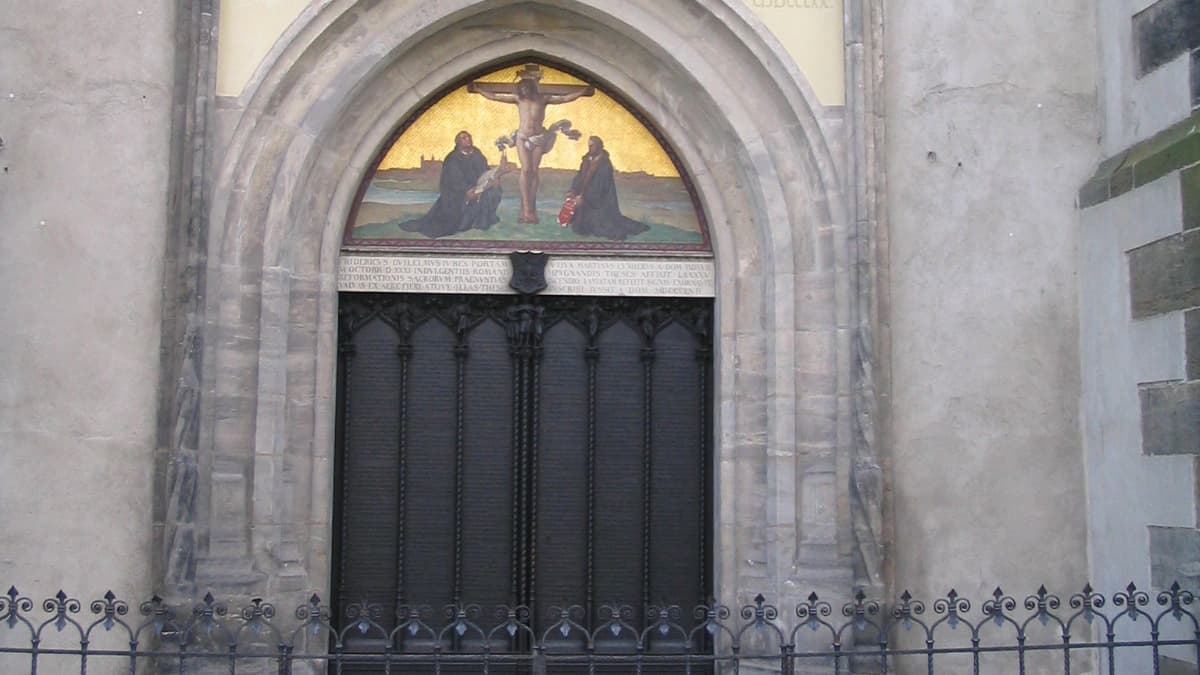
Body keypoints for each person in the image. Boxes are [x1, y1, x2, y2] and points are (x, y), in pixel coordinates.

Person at [468, 67, 593, 223]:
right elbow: (494, 96)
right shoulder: (518, 99)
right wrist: (479, 89)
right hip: (522, 137)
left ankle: (531, 210)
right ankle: (525, 209)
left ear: (532, 88)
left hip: (539, 138)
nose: (524, 91)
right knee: (525, 170)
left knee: (534, 172)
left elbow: (564, 98)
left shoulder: (543, 99)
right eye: (522, 88)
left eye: (527, 88)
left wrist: (582, 91)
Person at [399, 131, 510, 238]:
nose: (468, 139)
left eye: (469, 137)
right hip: (457, 194)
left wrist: (495, 178)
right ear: (458, 142)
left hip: (479, 187)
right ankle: (468, 222)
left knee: (495, 190)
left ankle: (483, 220)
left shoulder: (477, 154)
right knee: (455, 218)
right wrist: (466, 192)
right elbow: (452, 181)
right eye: (464, 138)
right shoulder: (452, 159)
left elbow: (485, 172)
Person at [564, 136, 650, 241]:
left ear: (599, 146)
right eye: (589, 146)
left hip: (599, 205)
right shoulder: (586, 160)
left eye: (592, 146)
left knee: (599, 228)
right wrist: (572, 192)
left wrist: (583, 198)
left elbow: (600, 188)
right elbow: (579, 177)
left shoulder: (605, 165)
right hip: (585, 200)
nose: (590, 148)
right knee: (577, 226)